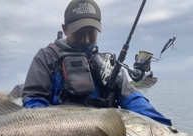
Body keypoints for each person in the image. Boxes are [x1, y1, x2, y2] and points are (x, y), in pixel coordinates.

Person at [22, 0, 172, 126]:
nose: (86, 40)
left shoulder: (110, 66)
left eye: (91, 32)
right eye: (79, 33)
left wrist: (164, 127)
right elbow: (32, 100)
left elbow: (134, 100)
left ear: (100, 27)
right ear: (65, 29)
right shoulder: (47, 57)